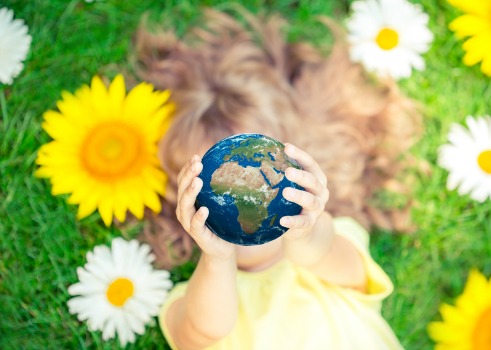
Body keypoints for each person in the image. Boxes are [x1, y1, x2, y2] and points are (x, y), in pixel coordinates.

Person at [135, 7, 422, 350]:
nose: (246, 193)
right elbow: (200, 332)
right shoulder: (205, 289)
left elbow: (329, 257)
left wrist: (304, 232)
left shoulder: (328, 244)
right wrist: (217, 259)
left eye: (260, 172)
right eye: (219, 186)